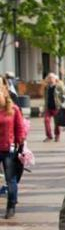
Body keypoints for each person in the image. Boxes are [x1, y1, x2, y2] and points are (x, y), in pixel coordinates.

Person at [0, 80, 25, 219]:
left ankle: (11, 205)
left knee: (11, 179)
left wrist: (20, 144)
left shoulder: (13, 109)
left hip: (8, 149)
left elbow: (20, 129)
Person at [43, 73, 65, 142]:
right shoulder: (46, 87)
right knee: (46, 121)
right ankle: (49, 136)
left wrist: (63, 105)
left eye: (52, 78)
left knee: (57, 123)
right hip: (48, 107)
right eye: (49, 78)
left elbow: (63, 95)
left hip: (57, 107)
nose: (50, 79)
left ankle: (57, 135)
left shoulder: (59, 86)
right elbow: (45, 97)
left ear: (55, 79)